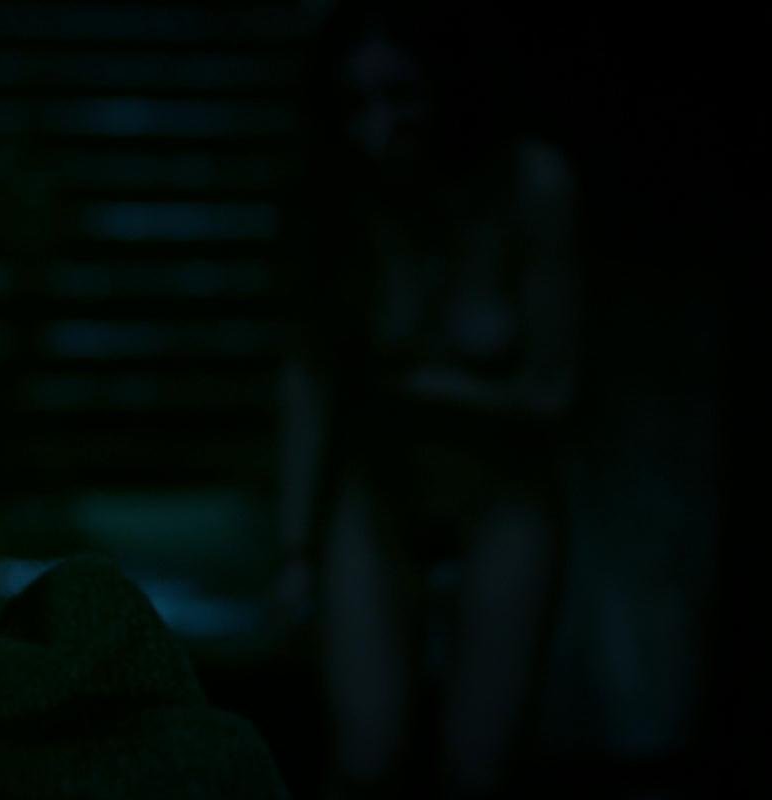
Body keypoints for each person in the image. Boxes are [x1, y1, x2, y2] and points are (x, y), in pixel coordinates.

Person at [281, 2, 581, 796]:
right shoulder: (340, 204)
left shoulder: (530, 185)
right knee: (364, 759)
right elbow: (308, 376)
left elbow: (553, 390)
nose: (377, 125)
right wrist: (296, 549)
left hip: (501, 500)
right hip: (377, 494)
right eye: (354, 103)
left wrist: (415, 387)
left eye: (400, 95)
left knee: (479, 770)